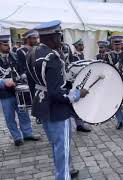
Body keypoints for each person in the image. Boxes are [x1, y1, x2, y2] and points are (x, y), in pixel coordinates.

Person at [27, 20, 88, 179]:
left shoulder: (32, 52)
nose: (60, 40)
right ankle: (63, 176)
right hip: (57, 110)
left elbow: (32, 83)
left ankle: (66, 169)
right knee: (62, 147)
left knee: (56, 145)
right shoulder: (51, 58)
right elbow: (57, 93)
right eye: (59, 36)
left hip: (43, 106)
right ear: (53, 37)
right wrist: (76, 94)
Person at [0, 34, 39, 146]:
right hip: (4, 93)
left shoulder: (13, 55)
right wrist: (4, 82)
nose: (8, 46)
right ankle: (17, 137)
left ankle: (27, 134)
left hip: (18, 90)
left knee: (23, 113)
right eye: (5, 44)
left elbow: (21, 69)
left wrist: (25, 76)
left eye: (8, 44)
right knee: (9, 116)